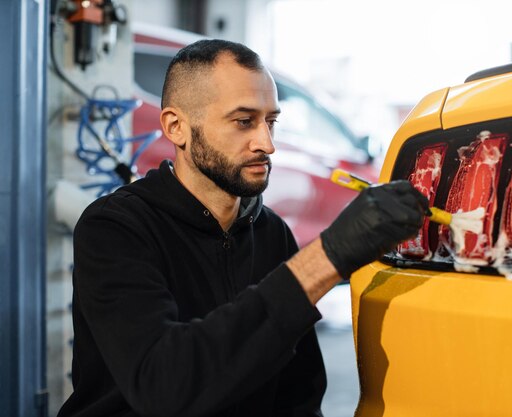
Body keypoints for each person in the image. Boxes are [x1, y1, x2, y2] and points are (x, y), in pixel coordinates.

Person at [58, 39, 429, 417]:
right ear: (176, 127)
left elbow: (299, 395)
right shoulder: (115, 229)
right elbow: (164, 387)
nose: (266, 143)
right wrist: (325, 258)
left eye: (271, 122)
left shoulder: (271, 233)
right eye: (243, 121)